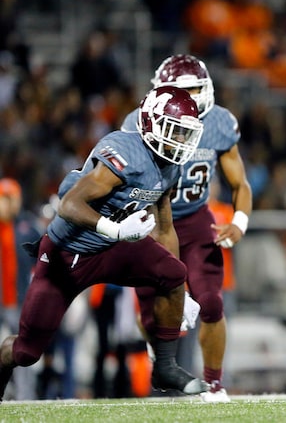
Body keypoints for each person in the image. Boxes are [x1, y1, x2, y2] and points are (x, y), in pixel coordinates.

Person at [0, 86, 208, 403]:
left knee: (173, 272)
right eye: (175, 130)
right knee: (27, 352)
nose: (180, 140)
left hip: (113, 248)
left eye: (184, 133)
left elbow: (165, 227)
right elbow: (69, 204)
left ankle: (165, 366)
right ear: (151, 122)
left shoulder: (170, 166)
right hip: (69, 253)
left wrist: (181, 289)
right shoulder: (125, 150)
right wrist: (113, 228)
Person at [121, 54, 253, 403]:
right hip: (151, 220)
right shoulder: (138, 122)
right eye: (182, 91)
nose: (190, 99)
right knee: (154, 314)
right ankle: (159, 355)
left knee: (211, 302)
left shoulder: (219, 122)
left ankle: (213, 383)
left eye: (196, 89)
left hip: (195, 220)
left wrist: (239, 221)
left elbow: (239, 182)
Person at [0, 178, 42, 401]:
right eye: (5, 198)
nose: (9, 203)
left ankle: (26, 396)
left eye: (12, 198)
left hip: (19, 299)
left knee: (22, 350)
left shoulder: (27, 226)